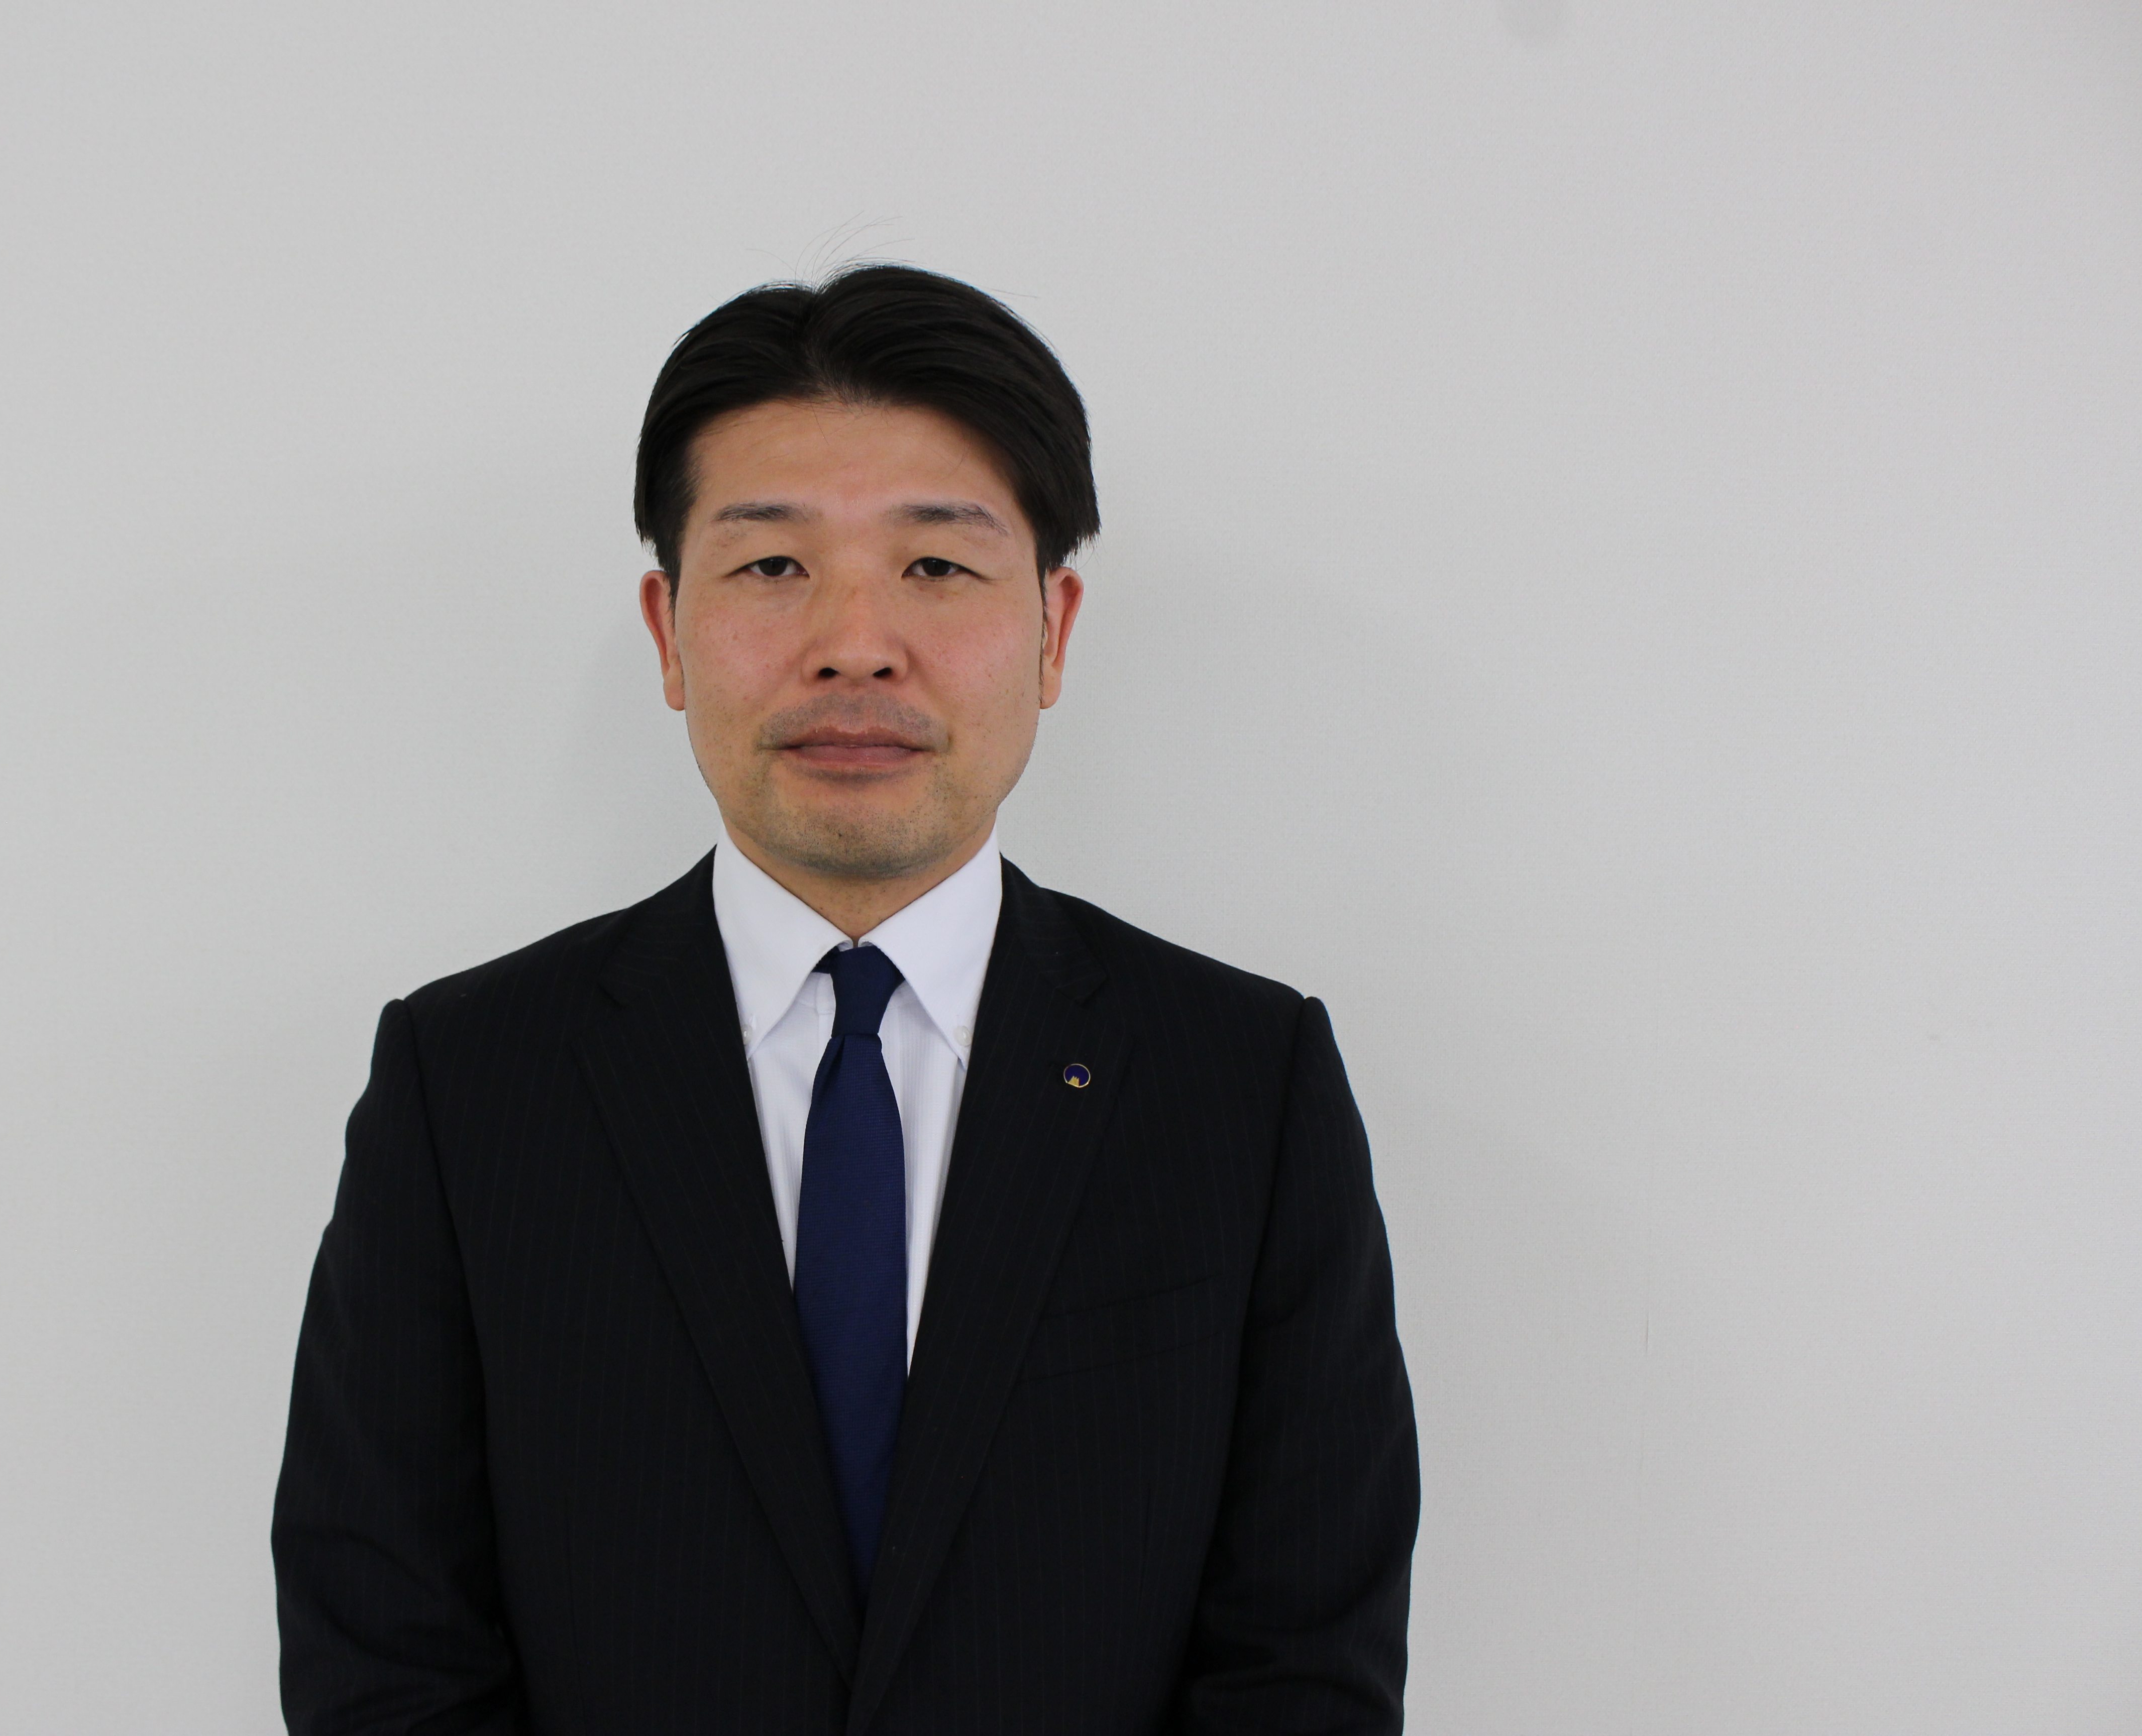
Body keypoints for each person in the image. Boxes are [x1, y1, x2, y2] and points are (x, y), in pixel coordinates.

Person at [271, 264, 1419, 1735]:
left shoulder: (1242, 1082)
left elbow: (1307, 1663)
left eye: (937, 566)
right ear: (668, 631)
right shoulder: (470, 1080)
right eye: (772, 566)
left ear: (1055, 630)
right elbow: (385, 1649)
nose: (856, 642)